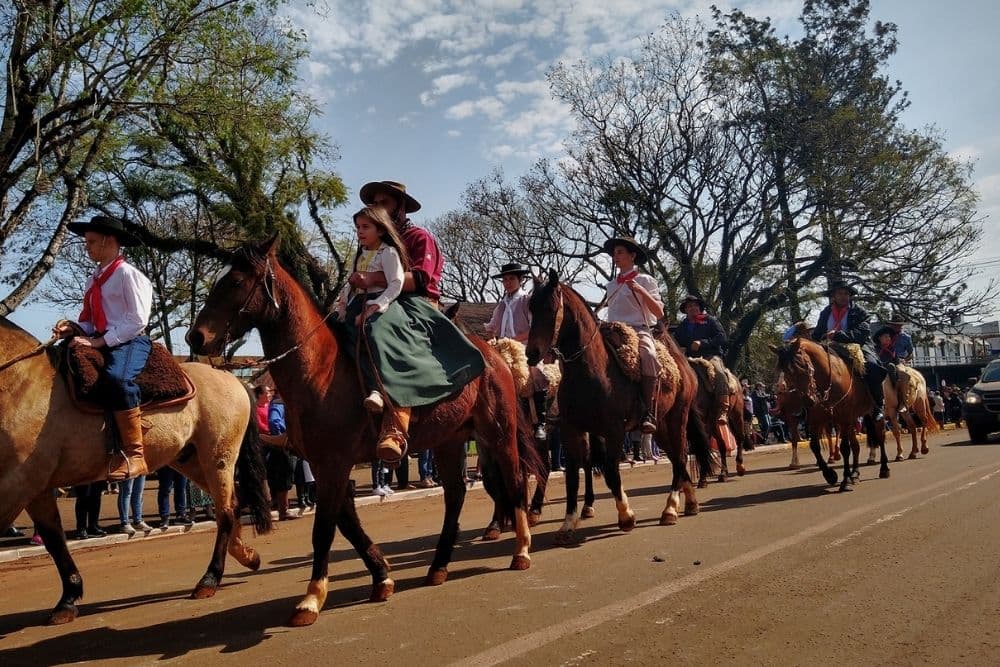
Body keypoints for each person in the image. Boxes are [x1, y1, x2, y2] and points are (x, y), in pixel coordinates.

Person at [333, 205, 485, 464]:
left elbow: (420, 280)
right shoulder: (363, 250)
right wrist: (342, 303)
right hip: (370, 300)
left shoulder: (417, 237)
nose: (377, 206)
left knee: (388, 337)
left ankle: (396, 419)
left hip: (415, 302)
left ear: (398, 207)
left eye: (383, 202)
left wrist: (373, 281)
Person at [53, 215, 154, 482]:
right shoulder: (93, 280)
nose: (86, 247)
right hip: (101, 338)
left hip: (130, 340)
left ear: (109, 241)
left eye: (91, 242)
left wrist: (99, 341)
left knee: (117, 379)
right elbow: (88, 320)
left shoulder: (129, 275)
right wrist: (74, 329)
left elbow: (137, 320)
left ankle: (136, 454)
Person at [601, 237, 664, 435]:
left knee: (649, 356)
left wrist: (641, 291)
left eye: (620, 252)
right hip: (612, 330)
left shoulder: (646, 280)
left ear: (632, 256)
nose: (615, 256)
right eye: (614, 253)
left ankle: (647, 410)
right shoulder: (611, 285)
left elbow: (658, 312)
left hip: (638, 329)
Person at [484, 261, 551, 440]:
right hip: (503, 349)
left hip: (524, 347)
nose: (507, 282)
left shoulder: (526, 301)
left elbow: (533, 328)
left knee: (537, 373)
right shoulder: (501, 304)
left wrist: (512, 341)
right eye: (505, 279)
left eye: (511, 279)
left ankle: (540, 423)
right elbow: (492, 327)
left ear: (520, 280)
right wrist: (491, 336)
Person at [811, 281, 887, 420]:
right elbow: (818, 333)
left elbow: (862, 333)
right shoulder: (826, 312)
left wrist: (839, 335)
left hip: (857, 346)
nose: (843, 296)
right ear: (833, 296)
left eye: (846, 293)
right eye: (840, 293)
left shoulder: (860, 312)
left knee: (873, 366)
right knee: (808, 367)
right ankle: (809, 406)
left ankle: (878, 405)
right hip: (829, 346)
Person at [673, 294, 730, 402]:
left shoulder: (710, 320)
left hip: (710, 356)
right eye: (689, 306)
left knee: (719, 373)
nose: (693, 308)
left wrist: (702, 343)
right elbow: (677, 342)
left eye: (695, 305)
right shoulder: (681, 327)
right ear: (685, 310)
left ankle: (723, 406)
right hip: (688, 358)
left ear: (700, 308)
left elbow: (722, 337)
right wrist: (680, 349)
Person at [266, 389, 297, 521]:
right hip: (282, 445)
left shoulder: (281, 403)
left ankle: (284, 509)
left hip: (283, 444)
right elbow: (274, 422)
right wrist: (284, 436)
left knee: (286, 476)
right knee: (284, 477)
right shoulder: (279, 403)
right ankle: (283, 510)